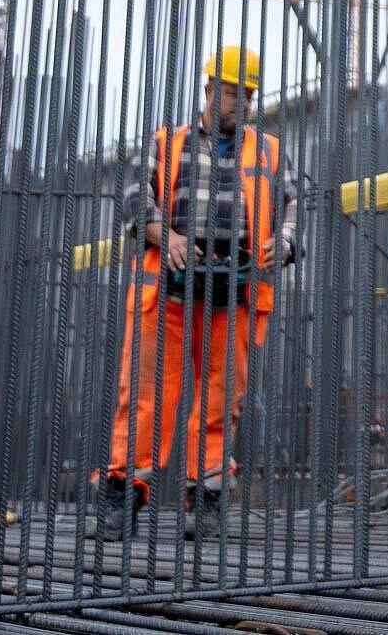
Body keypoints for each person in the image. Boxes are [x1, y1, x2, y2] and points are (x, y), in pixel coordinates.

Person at [90, 45, 299, 540]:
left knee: (220, 401)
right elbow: (135, 200)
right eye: (231, 92)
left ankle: (206, 499)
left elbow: (290, 203)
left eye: (248, 95)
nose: (241, 103)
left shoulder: (269, 151)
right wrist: (168, 237)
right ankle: (122, 496)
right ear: (208, 90)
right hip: (168, 290)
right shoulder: (167, 144)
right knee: (145, 396)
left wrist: (286, 242)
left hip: (233, 288)